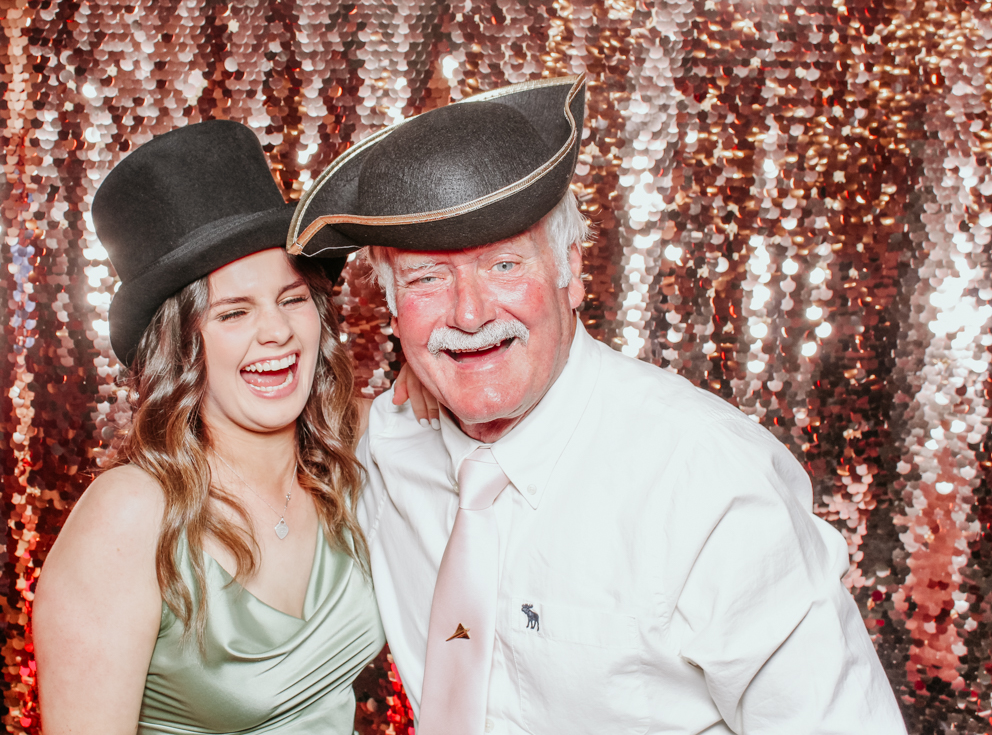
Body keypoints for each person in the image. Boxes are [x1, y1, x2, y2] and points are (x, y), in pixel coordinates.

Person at [287, 74, 908, 735]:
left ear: (572, 271)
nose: (467, 314)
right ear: (391, 306)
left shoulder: (708, 483)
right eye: (428, 279)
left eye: (504, 265)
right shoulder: (386, 449)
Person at [33, 120, 394, 734]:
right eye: (233, 311)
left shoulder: (357, 446)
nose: (276, 333)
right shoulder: (131, 516)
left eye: (292, 298)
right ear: (180, 347)